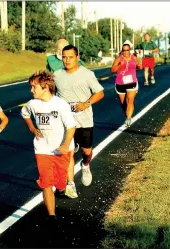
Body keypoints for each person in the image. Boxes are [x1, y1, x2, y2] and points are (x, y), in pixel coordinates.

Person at [21, 71, 77, 219]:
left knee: (60, 184)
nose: (31, 90)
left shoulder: (60, 105)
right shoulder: (32, 104)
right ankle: (51, 216)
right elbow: (24, 113)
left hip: (61, 149)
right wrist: (32, 128)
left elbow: (71, 126)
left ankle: (61, 187)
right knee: (46, 182)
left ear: (45, 87)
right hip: (42, 148)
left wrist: (65, 145)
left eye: (34, 87)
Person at [54, 44, 104, 198]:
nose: (67, 60)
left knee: (86, 151)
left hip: (84, 120)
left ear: (77, 58)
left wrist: (86, 104)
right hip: (65, 123)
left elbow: (100, 93)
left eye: (70, 57)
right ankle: (70, 184)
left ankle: (86, 164)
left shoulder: (87, 74)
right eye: (64, 57)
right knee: (67, 153)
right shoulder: (56, 75)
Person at [111, 43, 142, 127]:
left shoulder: (134, 58)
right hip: (120, 83)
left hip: (132, 81)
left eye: (127, 50)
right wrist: (120, 65)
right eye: (124, 50)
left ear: (130, 50)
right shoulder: (118, 59)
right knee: (123, 104)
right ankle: (128, 113)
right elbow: (112, 70)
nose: (125, 52)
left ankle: (128, 118)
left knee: (130, 100)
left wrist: (139, 66)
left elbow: (139, 66)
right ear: (122, 51)